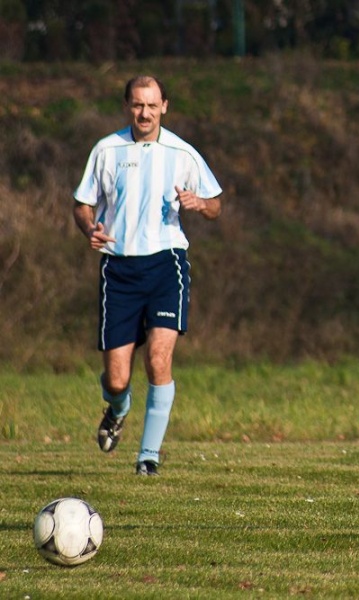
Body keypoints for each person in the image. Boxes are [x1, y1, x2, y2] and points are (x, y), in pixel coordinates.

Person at [73, 75, 223, 476]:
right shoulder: (107, 150)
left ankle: (148, 458)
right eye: (138, 105)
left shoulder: (182, 153)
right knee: (117, 379)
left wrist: (199, 204)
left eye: (152, 105)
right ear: (127, 106)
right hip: (119, 269)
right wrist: (90, 229)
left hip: (165, 264)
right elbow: (82, 204)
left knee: (159, 360)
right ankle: (117, 409)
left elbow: (216, 205)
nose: (145, 112)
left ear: (165, 107)